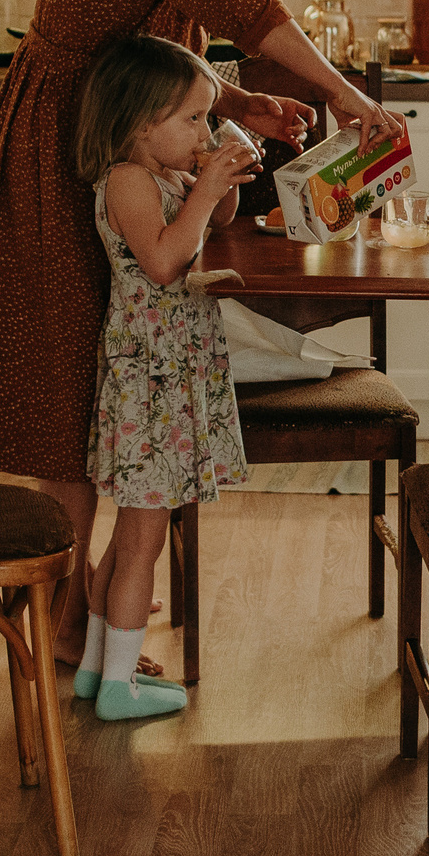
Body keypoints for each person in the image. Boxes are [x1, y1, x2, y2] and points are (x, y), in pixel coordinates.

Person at [0, 0, 404, 673]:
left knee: (90, 392)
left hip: (102, 141)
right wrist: (346, 96)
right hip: (62, 160)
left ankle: (83, 621)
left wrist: (236, 100)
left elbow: (166, 57)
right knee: (66, 408)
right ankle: (58, 633)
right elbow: (248, 9)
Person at [69, 36, 256, 719]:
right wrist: (203, 192)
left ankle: (95, 669)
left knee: (124, 540)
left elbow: (211, 223)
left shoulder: (171, 176)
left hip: (166, 381)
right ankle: (122, 686)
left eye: (208, 119)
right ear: (140, 121)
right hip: (149, 388)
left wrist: (221, 185)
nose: (203, 132)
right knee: (143, 544)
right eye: (193, 119)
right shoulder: (127, 180)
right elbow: (162, 261)